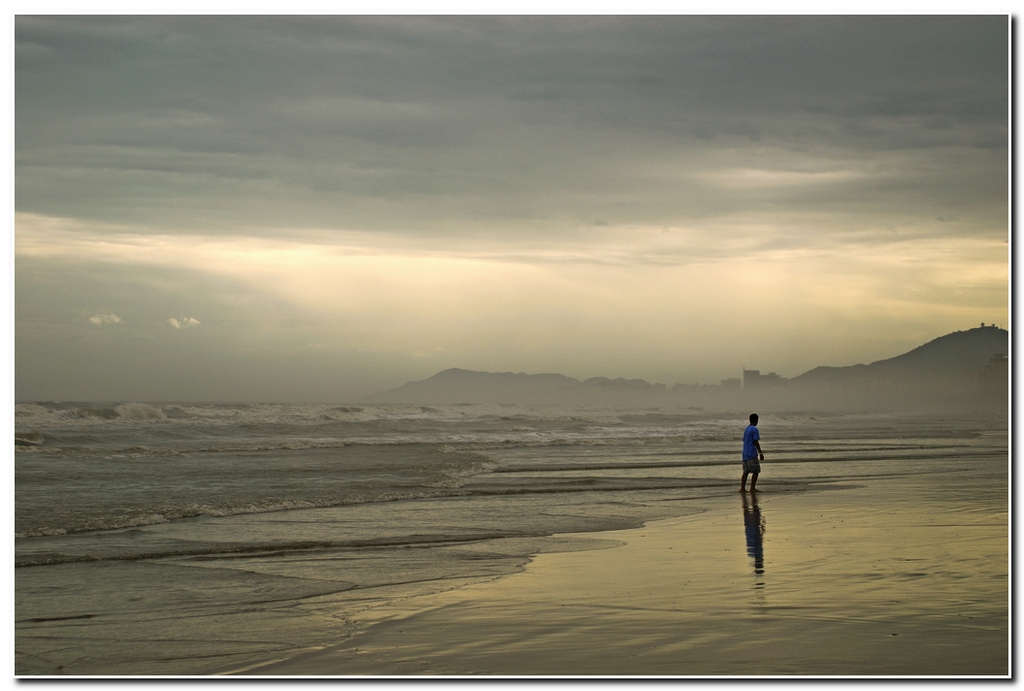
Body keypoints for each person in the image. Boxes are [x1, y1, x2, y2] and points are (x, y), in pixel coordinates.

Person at [741, 413, 764, 492]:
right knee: (756, 471)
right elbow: (755, 441)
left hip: (745, 453)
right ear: (756, 420)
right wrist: (760, 452)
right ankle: (752, 488)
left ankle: (742, 488)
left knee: (746, 472)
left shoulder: (746, 429)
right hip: (751, 453)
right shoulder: (754, 429)